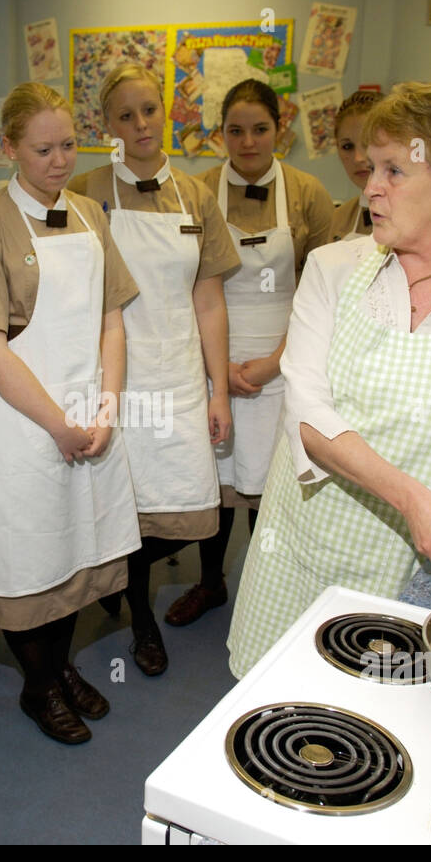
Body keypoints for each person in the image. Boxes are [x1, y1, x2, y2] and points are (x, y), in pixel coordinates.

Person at [227, 82, 431, 678]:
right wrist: (412, 498)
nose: (370, 185)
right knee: (281, 717)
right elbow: (307, 416)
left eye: (395, 171)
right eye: (371, 167)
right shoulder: (333, 270)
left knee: (387, 737)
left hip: (420, 569)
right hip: (305, 547)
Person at [0, 82, 141, 744]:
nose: (60, 159)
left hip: (88, 413)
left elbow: (112, 321)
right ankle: (38, 687)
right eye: (42, 149)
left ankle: (60, 668)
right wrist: (58, 423)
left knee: (75, 550)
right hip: (22, 421)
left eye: (67, 144)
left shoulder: (92, 214)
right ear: (10, 149)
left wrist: (107, 408)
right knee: (28, 559)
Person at [68, 63, 239, 675]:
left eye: (149, 110)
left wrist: (220, 390)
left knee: (191, 509)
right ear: (105, 124)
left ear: (167, 112)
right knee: (127, 506)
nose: (140, 125)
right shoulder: (86, 192)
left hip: (178, 377)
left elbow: (210, 301)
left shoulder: (196, 196)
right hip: (114, 376)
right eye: (124, 115)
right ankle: (141, 617)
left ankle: (118, 578)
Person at [164, 79, 338, 628]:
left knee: (271, 484)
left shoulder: (309, 192)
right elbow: (187, 284)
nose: (248, 141)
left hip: (286, 357)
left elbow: (323, 293)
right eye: (235, 131)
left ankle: (269, 592)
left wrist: (274, 363)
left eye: (260, 129)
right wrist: (219, 370)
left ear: (278, 132)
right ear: (220, 135)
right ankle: (210, 582)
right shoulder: (196, 190)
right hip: (212, 355)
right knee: (213, 481)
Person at [329, 90, 382, 240]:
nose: (358, 158)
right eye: (347, 147)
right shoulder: (340, 217)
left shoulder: (417, 213)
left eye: (367, 143)